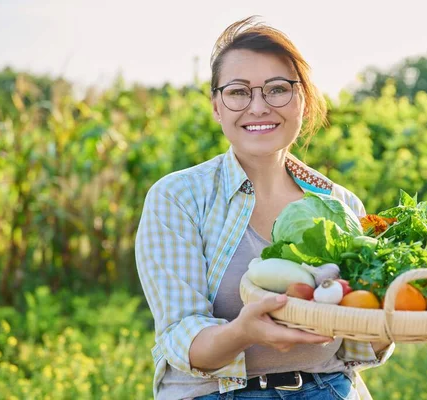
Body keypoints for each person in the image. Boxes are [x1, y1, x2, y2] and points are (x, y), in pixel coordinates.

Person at [135, 16, 395, 400]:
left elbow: (357, 345)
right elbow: (181, 339)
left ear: (303, 100)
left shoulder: (341, 205)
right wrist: (244, 331)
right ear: (216, 106)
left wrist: (399, 304)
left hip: (330, 390)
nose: (258, 107)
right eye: (238, 92)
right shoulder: (178, 198)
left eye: (277, 89)